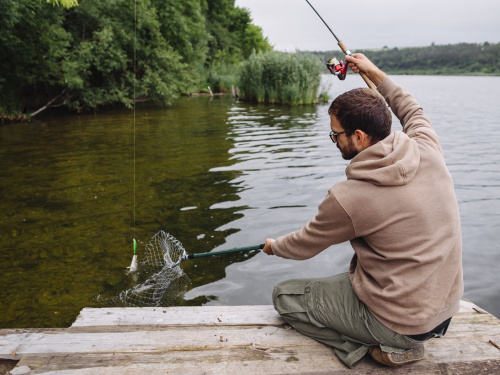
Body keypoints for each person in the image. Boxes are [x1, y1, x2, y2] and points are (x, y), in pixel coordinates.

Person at [262, 54, 463, 368]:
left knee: (285, 297)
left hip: (402, 322)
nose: (333, 140)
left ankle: (371, 349)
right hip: (445, 310)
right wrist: (373, 72)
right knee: (349, 277)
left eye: (336, 134)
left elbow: (304, 244)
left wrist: (274, 247)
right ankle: (399, 334)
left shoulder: (349, 197)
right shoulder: (427, 147)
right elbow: (410, 107)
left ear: (359, 136)